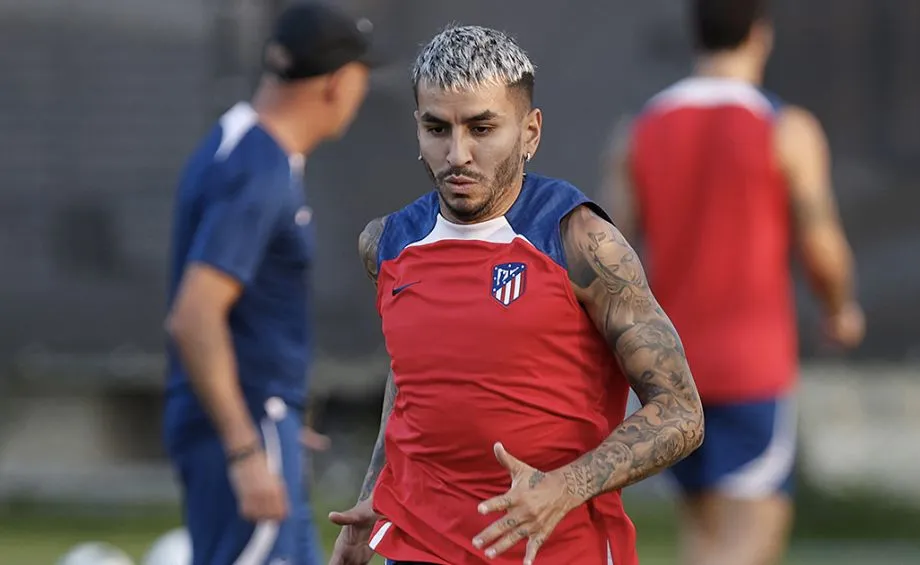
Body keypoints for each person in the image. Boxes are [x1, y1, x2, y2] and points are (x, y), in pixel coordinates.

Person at [327, 25, 705, 565]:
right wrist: (374, 495)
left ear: (530, 132)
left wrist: (566, 487)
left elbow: (681, 411)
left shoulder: (580, 241)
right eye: (438, 128)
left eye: (482, 128)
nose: (458, 153)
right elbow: (410, 377)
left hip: (557, 552)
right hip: (418, 549)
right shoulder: (386, 244)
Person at [600, 1, 866, 564]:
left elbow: (606, 255)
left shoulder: (638, 131)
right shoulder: (786, 129)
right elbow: (822, 248)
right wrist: (840, 309)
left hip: (664, 371)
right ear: (761, 35)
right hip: (752, 370)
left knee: (703, 540)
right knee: (748, 546)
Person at [162, 2, 377, 563]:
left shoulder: (238, 142)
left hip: (258, 417)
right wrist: (245, 445)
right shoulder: (261, 169)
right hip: (245, 430)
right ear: (336, 83)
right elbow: (195, 314)